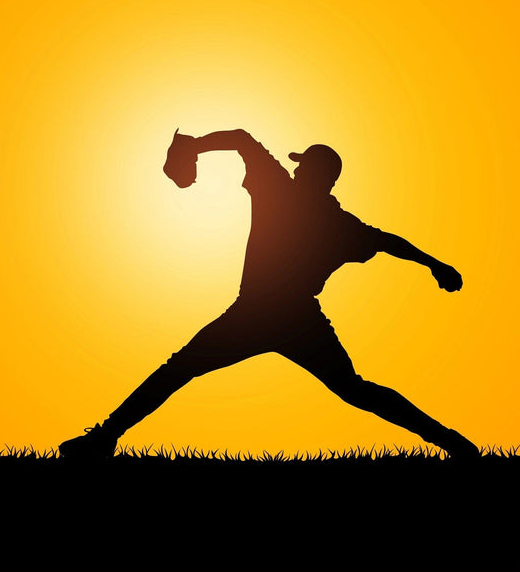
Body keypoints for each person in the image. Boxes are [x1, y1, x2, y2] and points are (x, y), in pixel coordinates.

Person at [59, 128, 478, 459]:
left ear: (314, 175)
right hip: (300, 322)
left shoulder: (278, 190)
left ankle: (103, 439)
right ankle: (451, 442)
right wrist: (434, 265)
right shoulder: (341, 225)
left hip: (254, 315)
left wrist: (194, 146)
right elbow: (388, 242)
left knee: (178, 369)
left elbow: (241, 137)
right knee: (355, 389)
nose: (295, 170)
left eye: (302, 167)